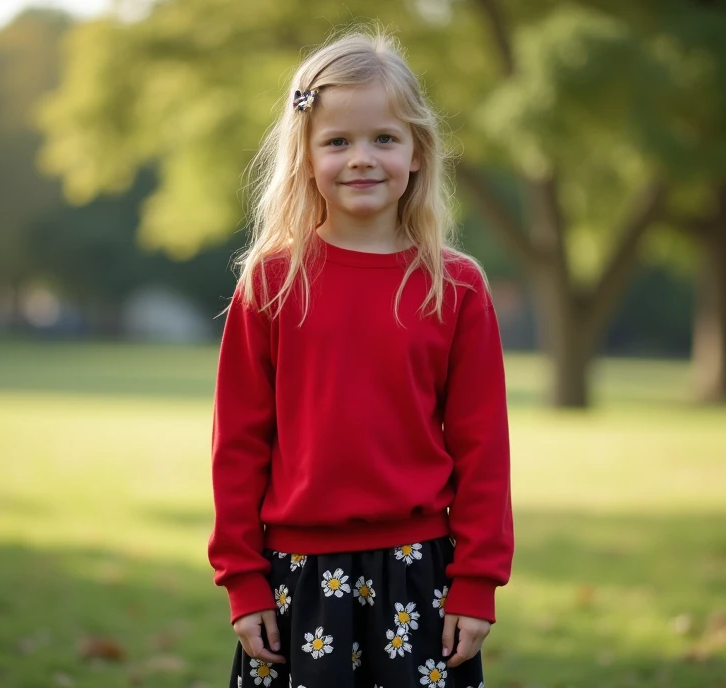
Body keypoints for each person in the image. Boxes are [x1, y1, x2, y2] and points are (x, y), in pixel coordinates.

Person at [207, 28, 513, 688]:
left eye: (384, 138)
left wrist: (477, 583)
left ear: (417, 151)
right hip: (297, 578)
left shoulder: (454, 286)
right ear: (306, 155)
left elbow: (483, 447)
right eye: (337, 141)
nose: (361, 159)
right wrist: (243, 581)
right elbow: (237, 444)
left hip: (420, 574)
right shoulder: (270, 283)